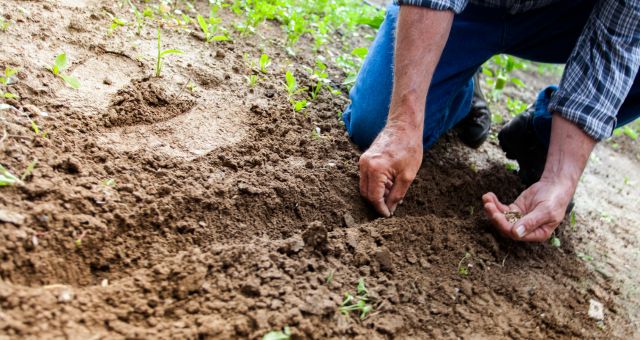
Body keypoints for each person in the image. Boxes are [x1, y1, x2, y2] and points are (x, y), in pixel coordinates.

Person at [342, 0, 640, 242]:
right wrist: (402, 124)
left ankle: (542, 137)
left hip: (563, 17)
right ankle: (460, 90)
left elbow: (617, 42)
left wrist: (560, 178)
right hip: (468, 9)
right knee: (375, 125)